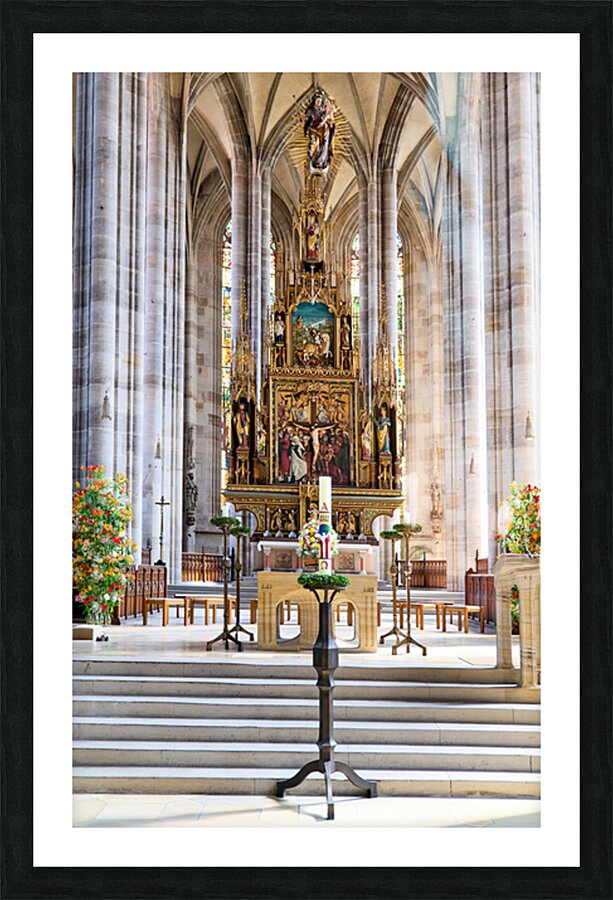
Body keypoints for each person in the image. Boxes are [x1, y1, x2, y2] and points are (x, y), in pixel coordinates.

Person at [303, 91, 336, 174]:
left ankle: (321, 160)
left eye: (320, 101)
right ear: (314, 101)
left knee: (325, 144)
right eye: (318, 100)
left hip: (322, 131)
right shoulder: (311, 111)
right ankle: (316, 160)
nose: (319, 102)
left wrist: (330, 112)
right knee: (317, 146)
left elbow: (328, 113)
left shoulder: (321, 110)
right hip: (315, 129)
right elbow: (310, 122)